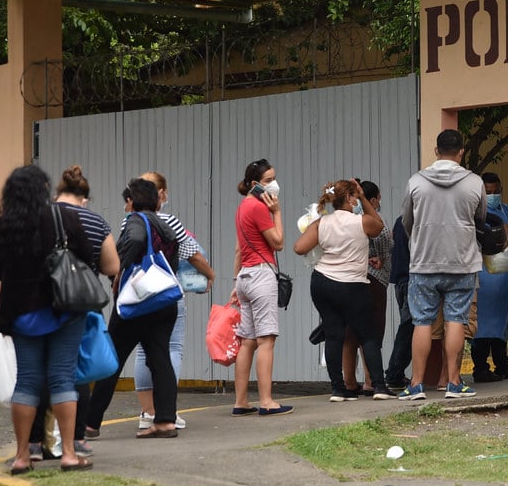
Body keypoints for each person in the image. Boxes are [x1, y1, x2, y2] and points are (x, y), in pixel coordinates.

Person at [0, 165, 117, 475]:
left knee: (27, 381)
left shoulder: (4, 224)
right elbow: (87, 257)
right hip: (64, 311)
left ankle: (21, 456)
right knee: (62, 378)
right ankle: (69, 453)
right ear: (44, 188)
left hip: (21, 314)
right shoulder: (64, 217)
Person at [27, 165, 118, 460]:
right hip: (78, 305)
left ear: (57, 193)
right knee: (75, 372)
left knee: (38, 372)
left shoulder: (39, 218)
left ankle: (33, 444)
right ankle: (77, 439)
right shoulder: (95, 221)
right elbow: (112, 267)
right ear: (85, 198)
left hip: (40, 303)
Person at [86, 178, 181, 439]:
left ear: (131, 201)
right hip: (163, 301)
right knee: (161, 360)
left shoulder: (137, 220)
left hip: (137, 302)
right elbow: (172, 258)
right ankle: (165, 421)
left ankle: (91, 423)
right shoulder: (165, 224)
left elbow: (136, 240)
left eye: (126, 200)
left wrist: (119, 270)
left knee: (111, 359)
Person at [398, 129, 487, 400]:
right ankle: (454, 383)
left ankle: (415, 385)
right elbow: (480, 219)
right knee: (456, 321)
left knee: (422, 322)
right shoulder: (475, 183)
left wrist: (421, 241)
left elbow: (406, 222)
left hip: (424, 264)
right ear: (461, 152)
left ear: (436, 151)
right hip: (462, 263)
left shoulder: (416, 182)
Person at [293, 179, 395, 402]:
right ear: (350, 198)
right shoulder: (361, 222)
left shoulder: (322, 223)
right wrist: (364, 198)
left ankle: (338, 389)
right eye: (355, 196)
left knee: (334, 335)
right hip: (352, 285)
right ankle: (378, 386)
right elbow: (379, 226)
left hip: (322, 283)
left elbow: (299, 247)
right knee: (368, 336)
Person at [130, 171, 216, 431]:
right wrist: (210, 275)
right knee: (172, 348)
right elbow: (192, 255)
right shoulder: (170, 221)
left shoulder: (130, 221)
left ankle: (147, 412)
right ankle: (166, 411)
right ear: (162, 194)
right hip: (168, 292)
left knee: (144, 350)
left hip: (139, 293)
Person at [230, 159, 293, 416]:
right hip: (260, 275)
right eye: (268, 180)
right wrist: (277, 212)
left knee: (247, 341)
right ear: (255, 184)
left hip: (245, 276)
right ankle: (267, 401)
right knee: (266, 340)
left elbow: (238, 249)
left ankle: (241, 401)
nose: (274, 185)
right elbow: (278, 243)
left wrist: (236, 283)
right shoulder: (258, 207)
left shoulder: (242, 207)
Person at [471, 172, 508, 382]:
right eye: (488, 192)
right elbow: (474, 238)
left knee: (501, 325)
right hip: (485, 282)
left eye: (496, 191)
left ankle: (502, 365)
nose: (493, 195)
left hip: (507, 284)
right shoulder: (475, 215)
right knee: (482, 326)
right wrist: (500, 231)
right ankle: (480, 368)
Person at [341, 180, 392, 395]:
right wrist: (380, 258)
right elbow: (384, 240)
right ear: (371, 200)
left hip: (347, 281)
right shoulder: (371, 222)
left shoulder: (339, 221)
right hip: (373, 281)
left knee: (349, 334)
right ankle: (372, 381)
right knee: (371, 335)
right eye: (378, 199)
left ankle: (349, 382)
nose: (379, 203)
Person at [383, 216, 412, 391]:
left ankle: (396, 374)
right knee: (409, 326)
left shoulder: (400, 220)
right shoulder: (415, 220)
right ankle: (394, 373)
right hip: (411, 278)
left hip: (400, 279)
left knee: (407, 325)